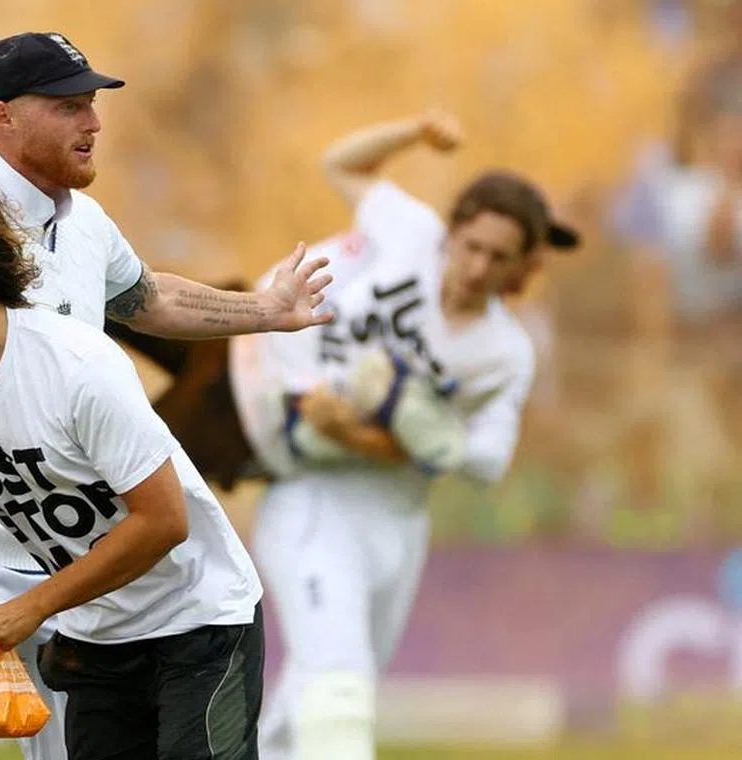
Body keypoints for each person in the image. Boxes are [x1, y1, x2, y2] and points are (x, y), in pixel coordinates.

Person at [0, 32, 327, 760]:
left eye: (91, 103)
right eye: (68, 105)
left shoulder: (85, 224)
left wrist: (265, 311)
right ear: (3, 117)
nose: (94, 122)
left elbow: (147, 299)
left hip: (66, 550)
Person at [229, 114, 579, 760]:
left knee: (318, 692)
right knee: (339, 691)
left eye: (498, 257)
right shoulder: (411, 235)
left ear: (523, 265)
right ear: (452, 232)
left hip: (396, 523)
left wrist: (410, 431)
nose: (477, 266)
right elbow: (339, 162)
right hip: (311, 494)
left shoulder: (504, 353)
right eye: (471, 246)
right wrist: (415, 132)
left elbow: (487, 461)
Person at [0, 174, 264, 760]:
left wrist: (34, 605)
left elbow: (164, 521)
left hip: (200, 619)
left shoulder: (77, 366)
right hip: (96, 639)